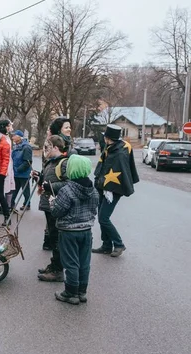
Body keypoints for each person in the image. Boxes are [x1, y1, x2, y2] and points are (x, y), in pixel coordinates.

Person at [50, 154, 99, 305]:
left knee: (71, 262)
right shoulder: (93, 189)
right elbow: (94, 208)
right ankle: (82, 292)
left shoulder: (67, 190)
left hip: (69, 232)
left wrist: (53, 202)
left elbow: (57, 212)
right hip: (86, 230)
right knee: (84, 262)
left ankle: (71, 293)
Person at [92, 124, 139, 257]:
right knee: (102, 216)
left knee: (103, 218)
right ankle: (106, 245)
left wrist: (108, 188)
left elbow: (121, 172)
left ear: (107, 138)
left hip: (113, 188)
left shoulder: (119, 152)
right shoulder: (111, 147)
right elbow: (103, 166)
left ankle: (119, 244)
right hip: (103, 186)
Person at [35, 135, 69, 282]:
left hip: (57, 205)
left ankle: (58, 271)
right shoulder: (51, 162)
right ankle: (54, 265)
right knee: (53, 237)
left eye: (47, 147)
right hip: (49, 205)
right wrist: (38, 177)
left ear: (56, 148)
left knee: (57, 238)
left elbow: (69, 184)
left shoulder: (63, 163)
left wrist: (51, 186)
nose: (45, 150)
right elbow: (46, 180)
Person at [11, 130, 33, 211]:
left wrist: (18, 169)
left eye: (14, 136)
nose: (12, 137)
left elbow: (27, 162)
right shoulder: (16, 146)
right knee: (14, 189)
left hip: (24, 173)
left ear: (19, 137)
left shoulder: (26, 147)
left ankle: (27, 204)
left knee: (25, 190)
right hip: (15, 173)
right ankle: (11, 204)